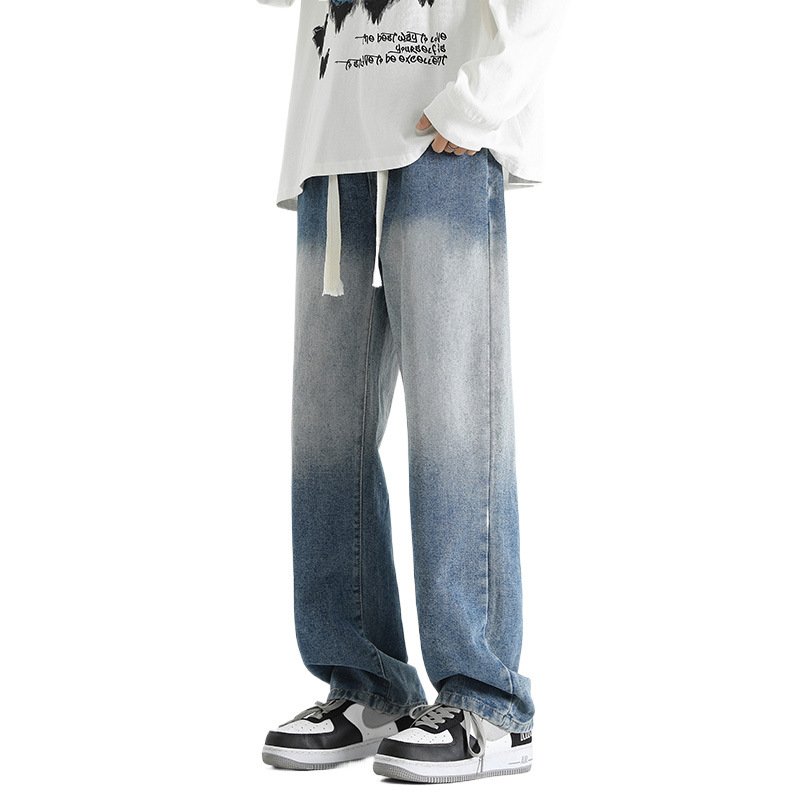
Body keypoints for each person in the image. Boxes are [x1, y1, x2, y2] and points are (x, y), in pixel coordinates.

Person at [257, 0, 565, 783]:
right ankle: (366, 684)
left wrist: (481, 100)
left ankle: (489, 701)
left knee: (456, 423)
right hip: (334, 147)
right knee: (327, 430)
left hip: (442, 138)